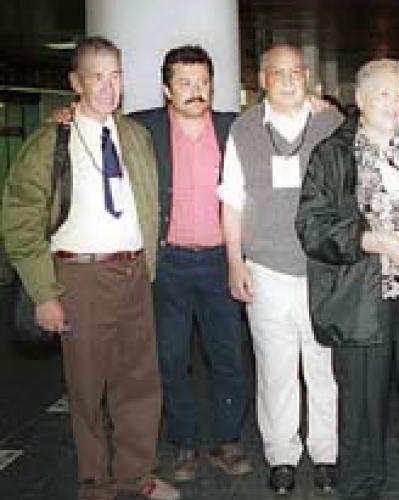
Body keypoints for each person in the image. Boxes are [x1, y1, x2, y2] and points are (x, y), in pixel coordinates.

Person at [1, 37, 180, 500]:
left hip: (133, 272)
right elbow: (20, 220)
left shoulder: (135, 135)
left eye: (115, 75)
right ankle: (95, 481)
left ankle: (136, 475)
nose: (108, 86)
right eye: (96, 76)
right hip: (79, 276)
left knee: (139, 381)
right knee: (85, 386)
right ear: (75, 83)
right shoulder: (50, 142)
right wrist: (44, 293)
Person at [296, 58, 399, 500]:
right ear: (360, 99)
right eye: (382, 94)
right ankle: (361, 482)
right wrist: (370, 241)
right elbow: (312, 225)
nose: (393, 103)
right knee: (361, 394)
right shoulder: (333, 154)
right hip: (361, 293)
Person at [218, 43, 342, 495]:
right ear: (262, 80)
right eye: (278, 73)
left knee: (324, 367)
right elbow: (232, 201)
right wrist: (235, 262)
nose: (288, 80)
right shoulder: (244, 129)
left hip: (322, 269)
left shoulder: (331, 123)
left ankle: (326, 453)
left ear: (307, 76)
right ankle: (282, 455)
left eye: (295, 72)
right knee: (274, 367)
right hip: (266, 267)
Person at [129, 45, 252, 482]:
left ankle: (228, 440)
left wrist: (318, 107)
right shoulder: (142, 129)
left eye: (203, 82)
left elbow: (282, 123)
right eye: (184, 82)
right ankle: (183, 442)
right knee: (171, 357)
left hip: (222, 261)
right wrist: (64, 117)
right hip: (170, 264)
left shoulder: (235, 128)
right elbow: (94, 124)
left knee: (229, 355)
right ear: (166, 89)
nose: (196, 91)